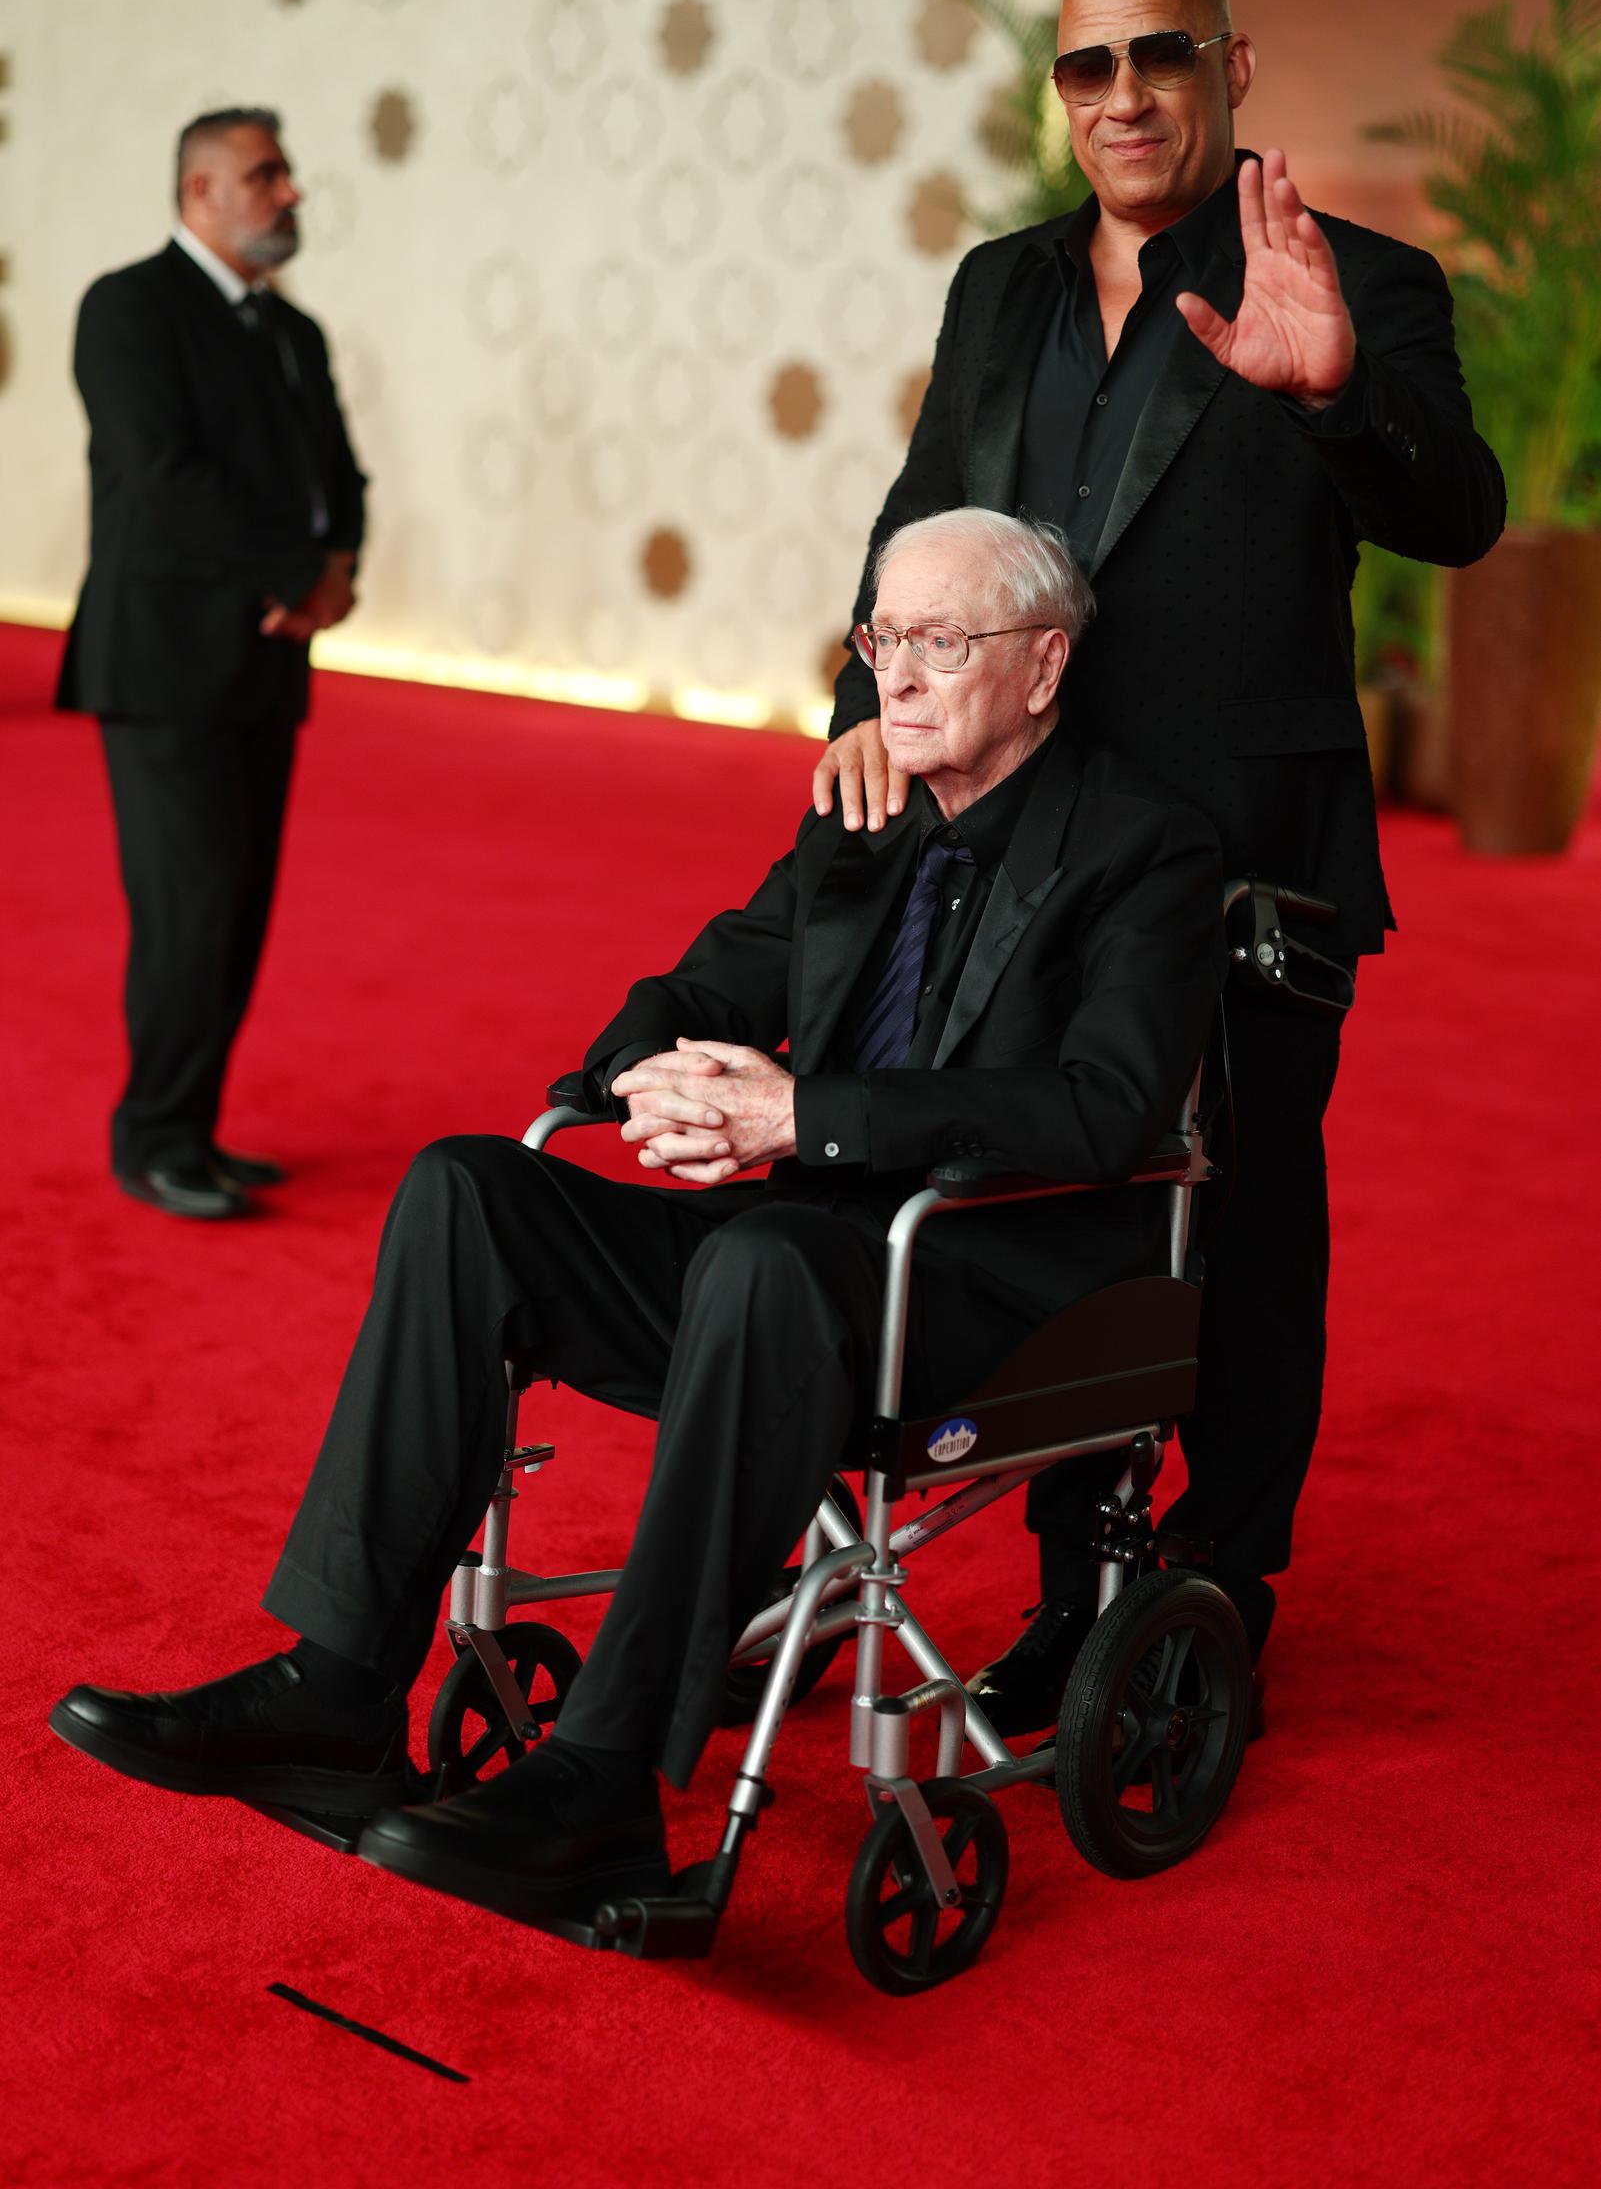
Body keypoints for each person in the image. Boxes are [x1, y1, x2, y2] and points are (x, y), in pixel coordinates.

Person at [51, 508, 1224, 1923]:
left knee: (770, 1252)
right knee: (467, 1189)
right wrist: (652, 1079)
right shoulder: (860, 820)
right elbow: (688, 991)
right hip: (781, 1276)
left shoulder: (1146, 848)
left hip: (987, 1293)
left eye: (939, 642)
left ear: (1041, 668)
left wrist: (803, 1116)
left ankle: (603, 1781)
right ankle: (340, 1690)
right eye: (881, 638)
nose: (895, 678)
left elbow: (1103, 1107)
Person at [814, 0, 1506, 1731]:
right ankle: (1078, 1583)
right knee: (1066, 1207)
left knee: (1245, 1218)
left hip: (1245, 857)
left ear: (1233, 67)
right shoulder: (1000, 290)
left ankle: (1226, 1566)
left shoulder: (1361, 281)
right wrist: (861, 704)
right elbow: (924, 515)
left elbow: (1459, 514)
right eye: (1084, 68)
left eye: (1158, 57)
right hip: (1019, 847)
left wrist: (1333, 396)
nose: (1120, 95)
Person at [57, 106, 367, 1221]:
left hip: (263, 663)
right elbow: (161, 480)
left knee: (236, 909)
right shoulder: (128, 308)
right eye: (264, 174)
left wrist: (336, 571)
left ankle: (192, 1123)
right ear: (199, 194)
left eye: (286, 173)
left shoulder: (292, 331)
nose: (289, 192)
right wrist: (296, 572)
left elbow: (340, 473)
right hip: (162, 666)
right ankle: (154, 1136)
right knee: (188, 910)